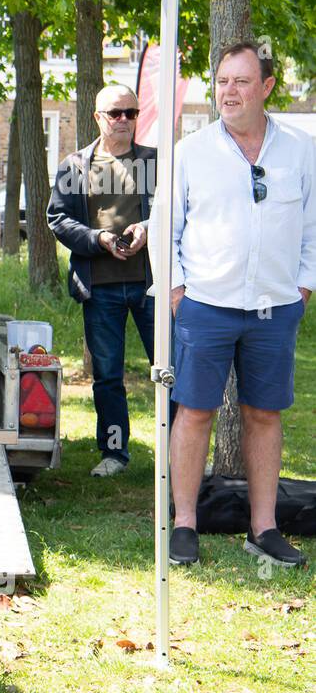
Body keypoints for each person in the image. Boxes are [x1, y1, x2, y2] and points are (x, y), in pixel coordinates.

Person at [165, 42, 314, 567]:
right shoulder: (192, 151)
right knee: (195, 411)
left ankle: (264, 527)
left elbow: (313, 226)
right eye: (223, 80)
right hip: (205, 304)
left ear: (267, 87)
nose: (228, 92)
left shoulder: (300, 150)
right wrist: (179, 293)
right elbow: (167, 229)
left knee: (264, 414)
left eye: (241, 81)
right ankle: (184, 524)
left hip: (275, 307)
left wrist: (303, 286)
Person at [48, 84, 158, 477]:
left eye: (131, 112)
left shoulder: (156, 162)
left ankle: (179, 451)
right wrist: (99, 239)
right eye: (116, 113)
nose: (125, 120)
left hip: (152, 288)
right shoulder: (75, 165)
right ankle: (114, 452)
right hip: (101, 289)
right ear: (98, 117)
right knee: (108, 377)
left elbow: (180, 210)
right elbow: (58, 219)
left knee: (170, 371)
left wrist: (147, 227)